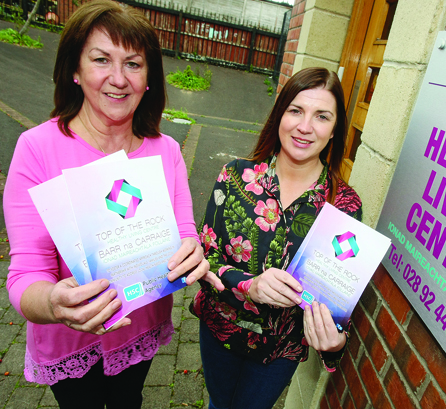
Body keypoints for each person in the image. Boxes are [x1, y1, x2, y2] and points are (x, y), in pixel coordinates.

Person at [4, 1, 222, 408]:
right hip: (69, 338)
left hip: (139, 328)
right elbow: (25, 274)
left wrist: (192, 253)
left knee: (129, 401)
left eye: (134, 64)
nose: (118, 79)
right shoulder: (37, 149)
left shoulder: (167, 151)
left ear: (149, 79)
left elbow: (184, 234)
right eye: (101, 59)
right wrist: (52, 303)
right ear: (75, 69)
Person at [190, 67, 362, 409]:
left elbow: (338, 295)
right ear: (279, 114)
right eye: (296, 110)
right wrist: (248, 286)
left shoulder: (343, 206)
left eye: (322, 116)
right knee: (218, 404)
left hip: (280, 350)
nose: (305, 126)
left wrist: (335, 343)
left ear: (334, 131)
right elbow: (204, 260)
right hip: (222, 330)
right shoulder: (235, 176)